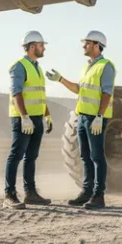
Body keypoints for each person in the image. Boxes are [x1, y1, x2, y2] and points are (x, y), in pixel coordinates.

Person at [47, 30, 115, 210]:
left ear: (97, 45)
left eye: (87, 43)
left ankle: (98, 196)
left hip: (95, 118)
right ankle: (86, 192)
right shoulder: (86, 67)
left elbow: (107, 93)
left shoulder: (106, 66)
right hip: (82, 117)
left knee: (97, 157)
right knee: (84, 156)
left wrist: (99, 116)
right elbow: (79, 89)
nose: (83, 46)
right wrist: (60, 79)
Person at [3, 30, 54, 210]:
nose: (44, 48)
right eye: (42, 45)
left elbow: (40, 96)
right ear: (32, 47)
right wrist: (24, 117)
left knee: (31, 156)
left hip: (37, 118)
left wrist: (46, 115)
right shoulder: (19, 66)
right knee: (16, 155)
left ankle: (30, 193)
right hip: (22, 118)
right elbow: (16, 93)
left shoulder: (37, 67)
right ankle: (9, 195)